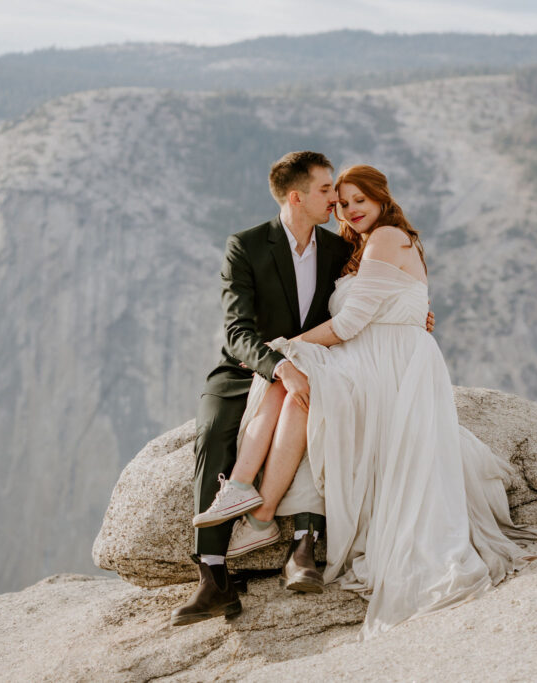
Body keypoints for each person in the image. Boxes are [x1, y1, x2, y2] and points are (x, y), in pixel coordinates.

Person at [196, 164, 537, 639]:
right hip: (369, 356)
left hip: (386, 363)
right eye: (340, 200)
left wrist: (287, 346)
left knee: (302, 381)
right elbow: (379, 302)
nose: (348, 209)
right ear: (305, 199)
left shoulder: (381, 238)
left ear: (381, 197)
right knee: (291, 383)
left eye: (359, 199)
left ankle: (261, 512)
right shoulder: (347, 246)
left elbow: (354, 319)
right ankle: (233, 535)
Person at [171, 152, 435, 626]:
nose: (336, 199)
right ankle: (212, 575)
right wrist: (278, 363)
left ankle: (303, 548)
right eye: (327, 190)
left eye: (341, 191)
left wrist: (413, 314)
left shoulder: (339, 250)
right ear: (297, 197)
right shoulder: (246, 246)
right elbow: (236, 332)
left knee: (319, 409)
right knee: (212, 434)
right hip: (247, 366)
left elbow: (366, 305)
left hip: (318, 361)